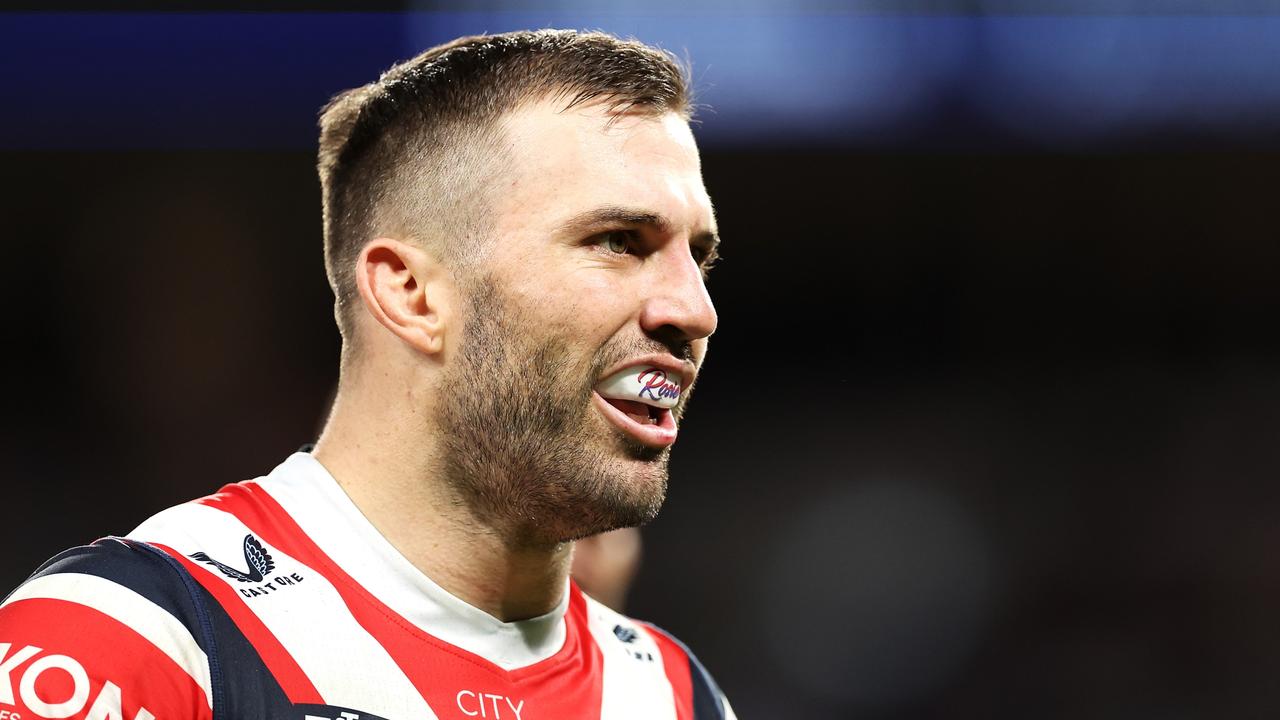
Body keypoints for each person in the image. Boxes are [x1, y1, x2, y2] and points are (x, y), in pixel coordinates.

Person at [0, 29, 735, 720]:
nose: (693, 310)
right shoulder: (131, 642)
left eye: (696, 258)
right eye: (618, 241)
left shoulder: (674, 696)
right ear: (412, 293)